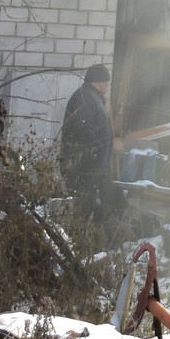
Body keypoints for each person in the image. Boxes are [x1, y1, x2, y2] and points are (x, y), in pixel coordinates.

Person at [59, 63, 117, 225]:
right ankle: (80, 242)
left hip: (92, 168)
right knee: (84, 209)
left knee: (94, 208)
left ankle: (90, 241)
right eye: (106, 82)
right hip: (84, 169)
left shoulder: (92, 97)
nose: (107, 85)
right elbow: (81, 129)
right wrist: (98, 150)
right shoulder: (84, 98)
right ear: (98, 83)